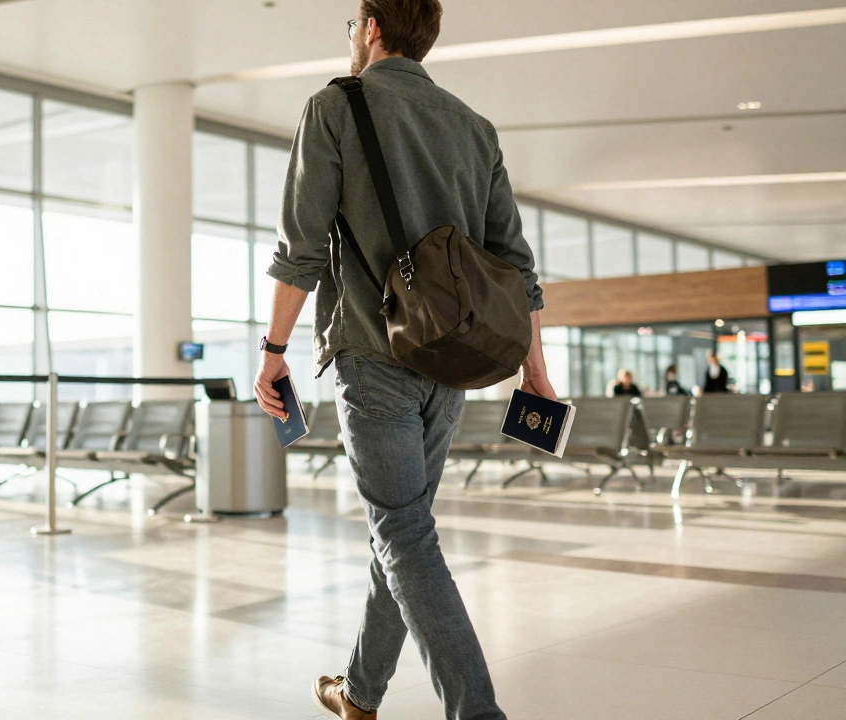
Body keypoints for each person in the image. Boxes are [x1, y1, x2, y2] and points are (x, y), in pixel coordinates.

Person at [253, 2, 552, 718]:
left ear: (374, 27)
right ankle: (359, 693)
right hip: (457, 362)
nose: (351, 37)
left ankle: (477, 712)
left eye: (352, 24)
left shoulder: (335, 107)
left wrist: (272, 351)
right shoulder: (474, 128)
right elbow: (516, 266)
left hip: (374, 352)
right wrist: (534, 369)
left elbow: (300, 248)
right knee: (403, 529)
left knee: (402, 533)